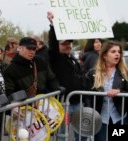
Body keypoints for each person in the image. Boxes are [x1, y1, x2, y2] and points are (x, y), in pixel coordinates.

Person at [47, 11, 86, 141]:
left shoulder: (73, 59)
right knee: (62, 135)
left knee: (82, 133)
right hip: (63, 103)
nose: (68, 45)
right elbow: (52, 43)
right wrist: (52, 25)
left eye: (69, 43)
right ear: (58, 46)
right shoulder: (56, 58)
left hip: (77, 102)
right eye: (64, 43)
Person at [85, 41, 128, 140]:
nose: (117, 54)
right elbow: (87, 97)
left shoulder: (125, 73)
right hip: (100, 119)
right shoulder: (92, 74)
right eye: (113, 51)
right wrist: (90, 116)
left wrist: (119, 92)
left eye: (119, 52)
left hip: (119, 118)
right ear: (104, 55)